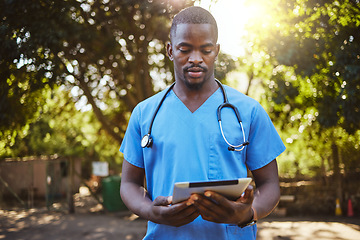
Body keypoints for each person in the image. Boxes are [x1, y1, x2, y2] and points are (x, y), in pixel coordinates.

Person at [120, 6, 286, 239]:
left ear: (216, 51)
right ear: (170, 50)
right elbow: (128, 183)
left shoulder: (248, 111)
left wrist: (247, 214)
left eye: (206, 50)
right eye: (184, 49)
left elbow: (269, 184)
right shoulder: (144, 113)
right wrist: (150, 211)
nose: (195, 59)